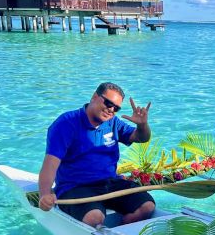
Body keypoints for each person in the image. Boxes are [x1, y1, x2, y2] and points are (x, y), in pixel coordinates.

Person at [37, 82, 156, 227]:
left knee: (147, 206)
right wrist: (44, 194)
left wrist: (142, 125)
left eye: (116, 108)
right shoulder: (66, 124)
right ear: (94, 96)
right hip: (75, 187)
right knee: (94, 217)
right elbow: (50, 164)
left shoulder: (113, 122)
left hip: (110, 183)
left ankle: (121, 234)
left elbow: (141, 137)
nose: (111, 109)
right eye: (108, 103)